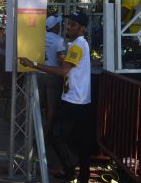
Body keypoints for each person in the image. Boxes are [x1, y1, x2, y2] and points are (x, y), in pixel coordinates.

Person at [19, 10, 92, 183]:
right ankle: (77, 174)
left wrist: (34, 64)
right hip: (78, 98)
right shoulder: (78, 44)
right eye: (68, 23)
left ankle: (71, 167)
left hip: (74, 99)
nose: (68, 27)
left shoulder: (77, 45)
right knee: (75, 139)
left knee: (55, 135)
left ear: (82, 28)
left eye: (73, 25)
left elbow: (63, 70)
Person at [39, 15, 66, 137]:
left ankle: (37, 131)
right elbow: (61, 59)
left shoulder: (40, 37)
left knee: (38, 104)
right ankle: (47, 133)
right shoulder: (59, 40)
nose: (60, 26)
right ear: (55, 26)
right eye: (58, 25)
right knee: (52, 106)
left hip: (39, 73)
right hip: (52, 75)